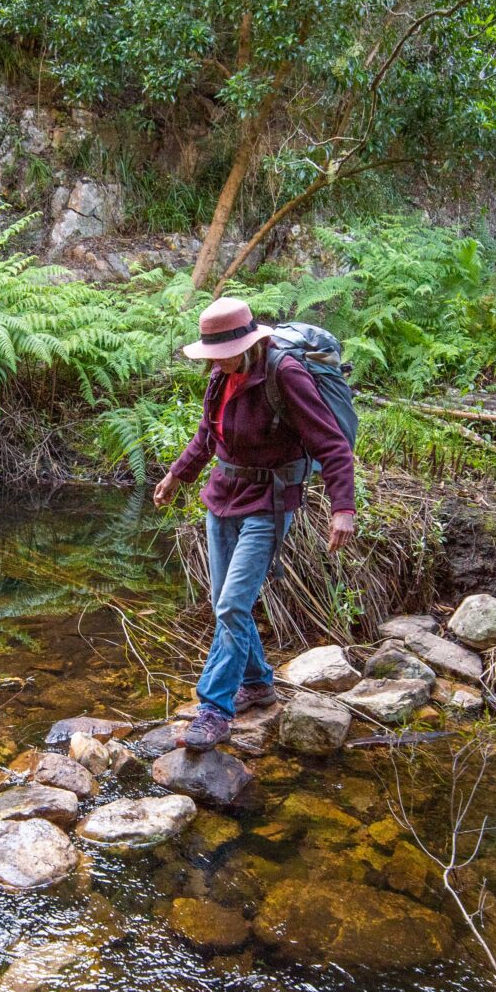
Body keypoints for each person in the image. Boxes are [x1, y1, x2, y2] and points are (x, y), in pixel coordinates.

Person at [151, 297, 358, 750]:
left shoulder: (285, 374)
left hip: (269, 501)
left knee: (231, 606)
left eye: (219, 354)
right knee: (223, 601)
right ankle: (259, 683)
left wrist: (342, 507)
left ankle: (214, 708)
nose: (213, 363)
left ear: (245, 344)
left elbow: (333, 444)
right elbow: (208, 434)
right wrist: (176, 475)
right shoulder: (222, 376)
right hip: (222, 496)